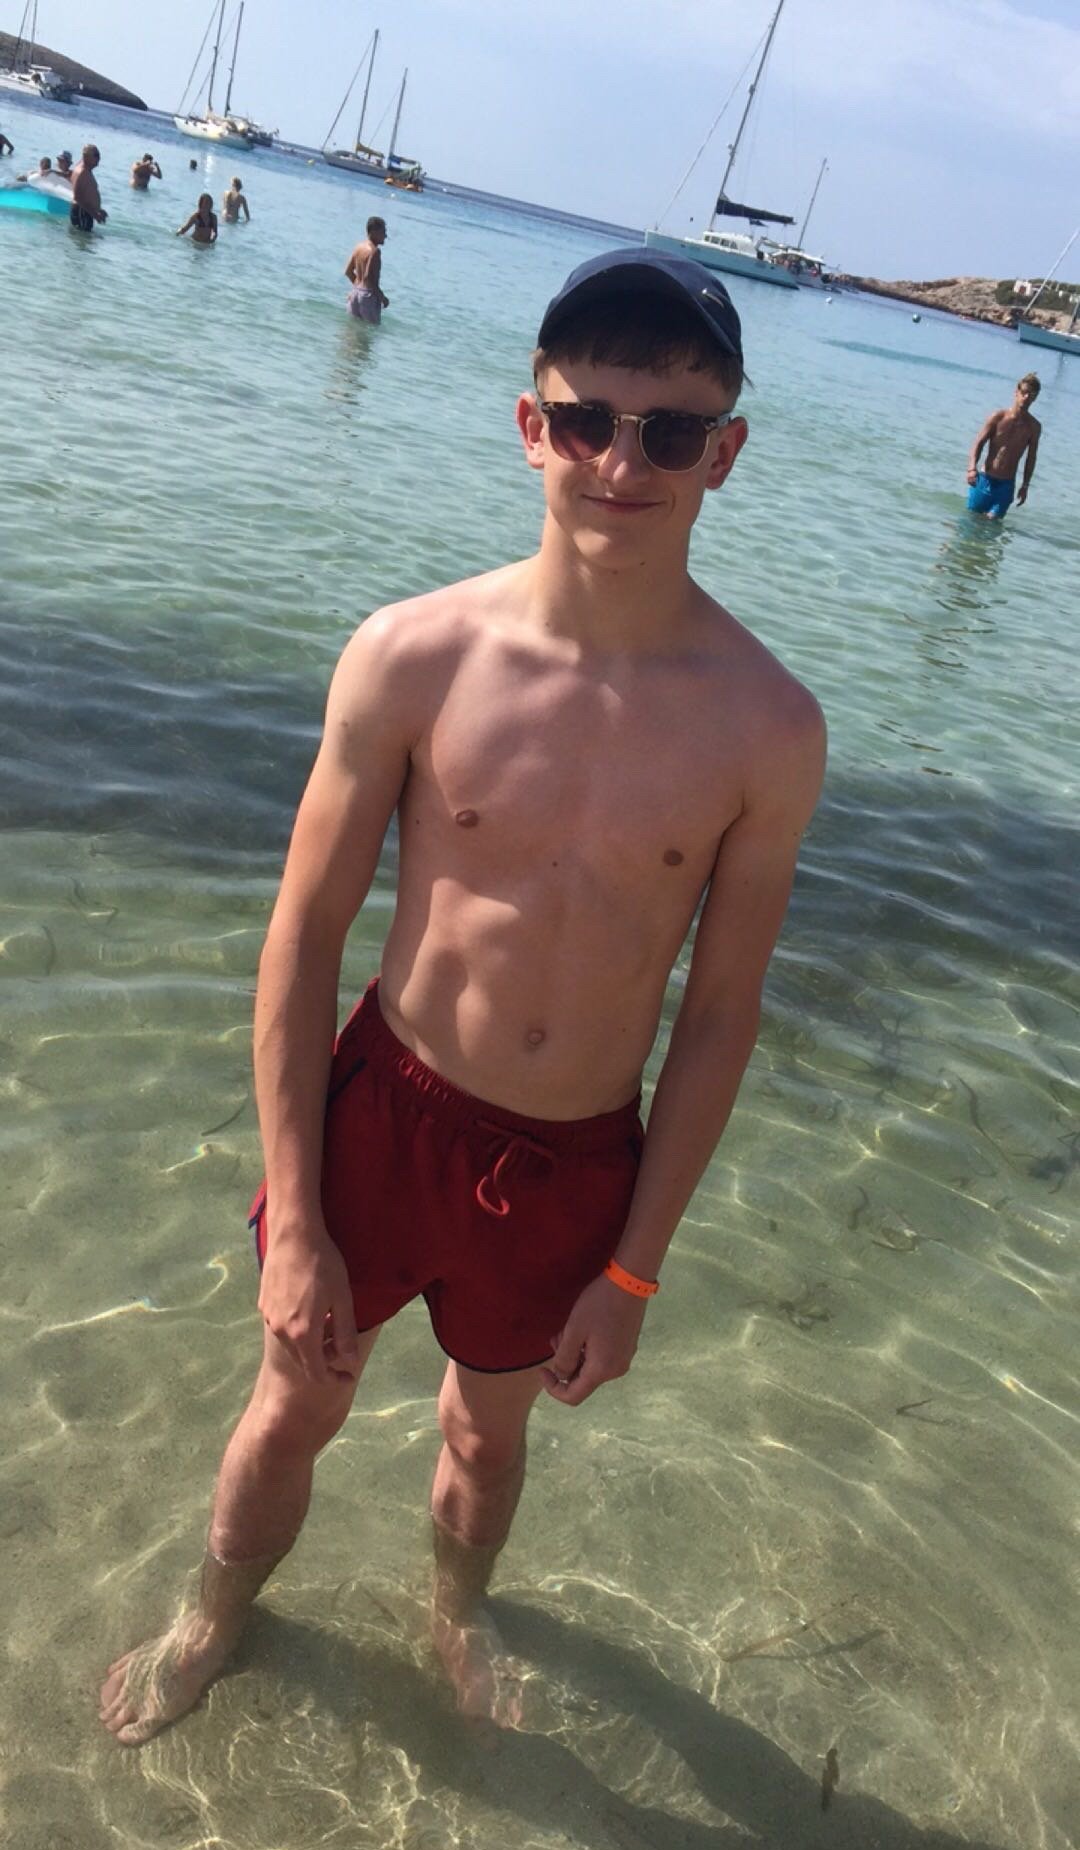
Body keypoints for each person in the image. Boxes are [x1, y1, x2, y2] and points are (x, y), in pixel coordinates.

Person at [99, 248, 826, 1746]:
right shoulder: (414, 655)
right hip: (388, 1113)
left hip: (573, 1161)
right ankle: (212, 1618)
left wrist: (634, 1271)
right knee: (290, 1406)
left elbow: (719, 1017)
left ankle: (455, 1614)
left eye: (670, 433)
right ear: (529, 426)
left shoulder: (769, 727)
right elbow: (304, 936)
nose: (622, 465)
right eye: (589, 421)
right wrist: (296, 1215)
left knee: (489, 1446)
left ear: (727, 454)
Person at [967, 374, 1041, 518]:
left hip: (1006, 485)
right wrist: (971, 469)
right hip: (985, 479)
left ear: (1035, 398)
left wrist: (1025, 485)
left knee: (992, 525)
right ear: (1016, 392)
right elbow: (979, 443)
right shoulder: (998, 417)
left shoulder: (1034, 427)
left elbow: (1031, 458)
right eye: (1024, 392)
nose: (1026, 397)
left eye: (1031, 394)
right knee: (971, 521)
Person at [344, 215, 389, 323]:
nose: (386, 236)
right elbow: (368, 278)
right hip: (368, 297)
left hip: (354, 294)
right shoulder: (375, 251)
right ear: (373, 232)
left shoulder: (358, 247)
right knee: (371, 330)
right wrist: (382, 298)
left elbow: (348, 272)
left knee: (352, 330)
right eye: (383, 232)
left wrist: (358, 288)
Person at [70, 145, 107, 232]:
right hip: (82, 212)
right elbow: (78, 198)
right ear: (86, 157)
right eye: (96, 155)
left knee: (84, 238)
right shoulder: (82, 172)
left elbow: (87, 194)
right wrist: (95, 215)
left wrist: (98, 209)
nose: (99, 158)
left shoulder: (86, 170)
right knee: (82, 237)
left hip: (84, 211)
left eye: (99, 155)